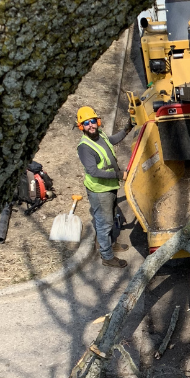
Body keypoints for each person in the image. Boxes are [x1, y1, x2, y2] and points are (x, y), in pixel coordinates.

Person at [76, 105, 133, 268]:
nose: (91, 125)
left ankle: (111, 244)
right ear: (81, 127)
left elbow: (111, 140)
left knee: (112, 216)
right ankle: (107, 256)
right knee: (104, 223)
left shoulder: (99, 134)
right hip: (100, 191)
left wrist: (127, 129)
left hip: (109, 187)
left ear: (98, 122)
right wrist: (119, 174)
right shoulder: (84, 147)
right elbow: (93, 171)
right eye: (86, 123)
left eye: (92, 121)